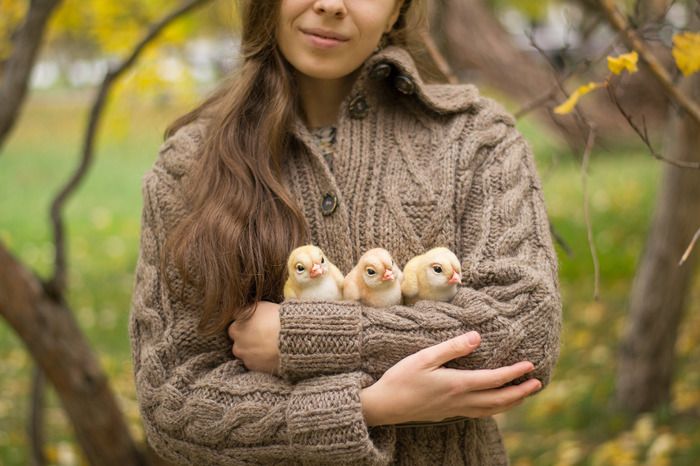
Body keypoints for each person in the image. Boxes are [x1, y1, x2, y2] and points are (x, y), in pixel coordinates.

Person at [129, 0, 562, 463]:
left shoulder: (477, 139)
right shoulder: (189, 164)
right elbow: (172, 400)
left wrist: (297, 337)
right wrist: (366, 408)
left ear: (398, 9)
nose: (331, 5)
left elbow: (524, 330)